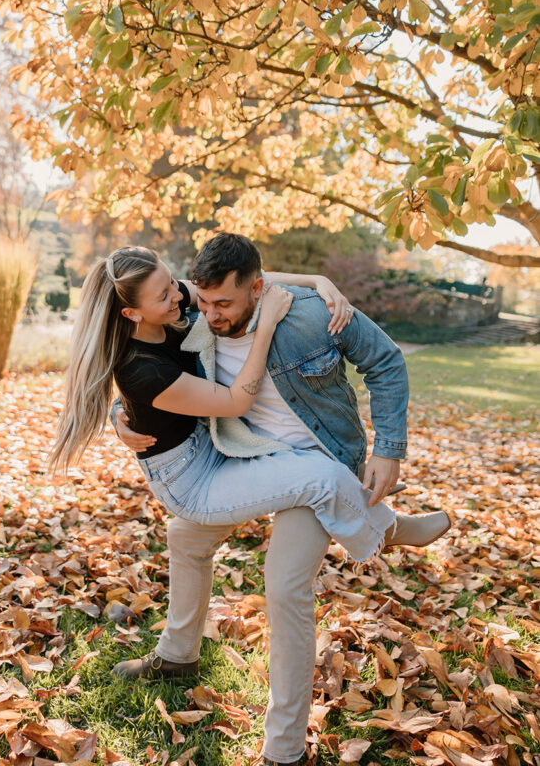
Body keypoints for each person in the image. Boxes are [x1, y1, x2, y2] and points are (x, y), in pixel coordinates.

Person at [104, 234, 451, 766]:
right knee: (184, 537)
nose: (207, 313)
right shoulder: (195, 316)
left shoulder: (313, 316)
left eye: (223, 304)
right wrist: (121, 412)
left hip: (322, 462)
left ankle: (284, 750)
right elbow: (145, 364)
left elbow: (385, 362)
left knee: (285, 585)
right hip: (245, 459)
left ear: (258, 289)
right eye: (201, 299)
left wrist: (390, 450)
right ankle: (178, 656)